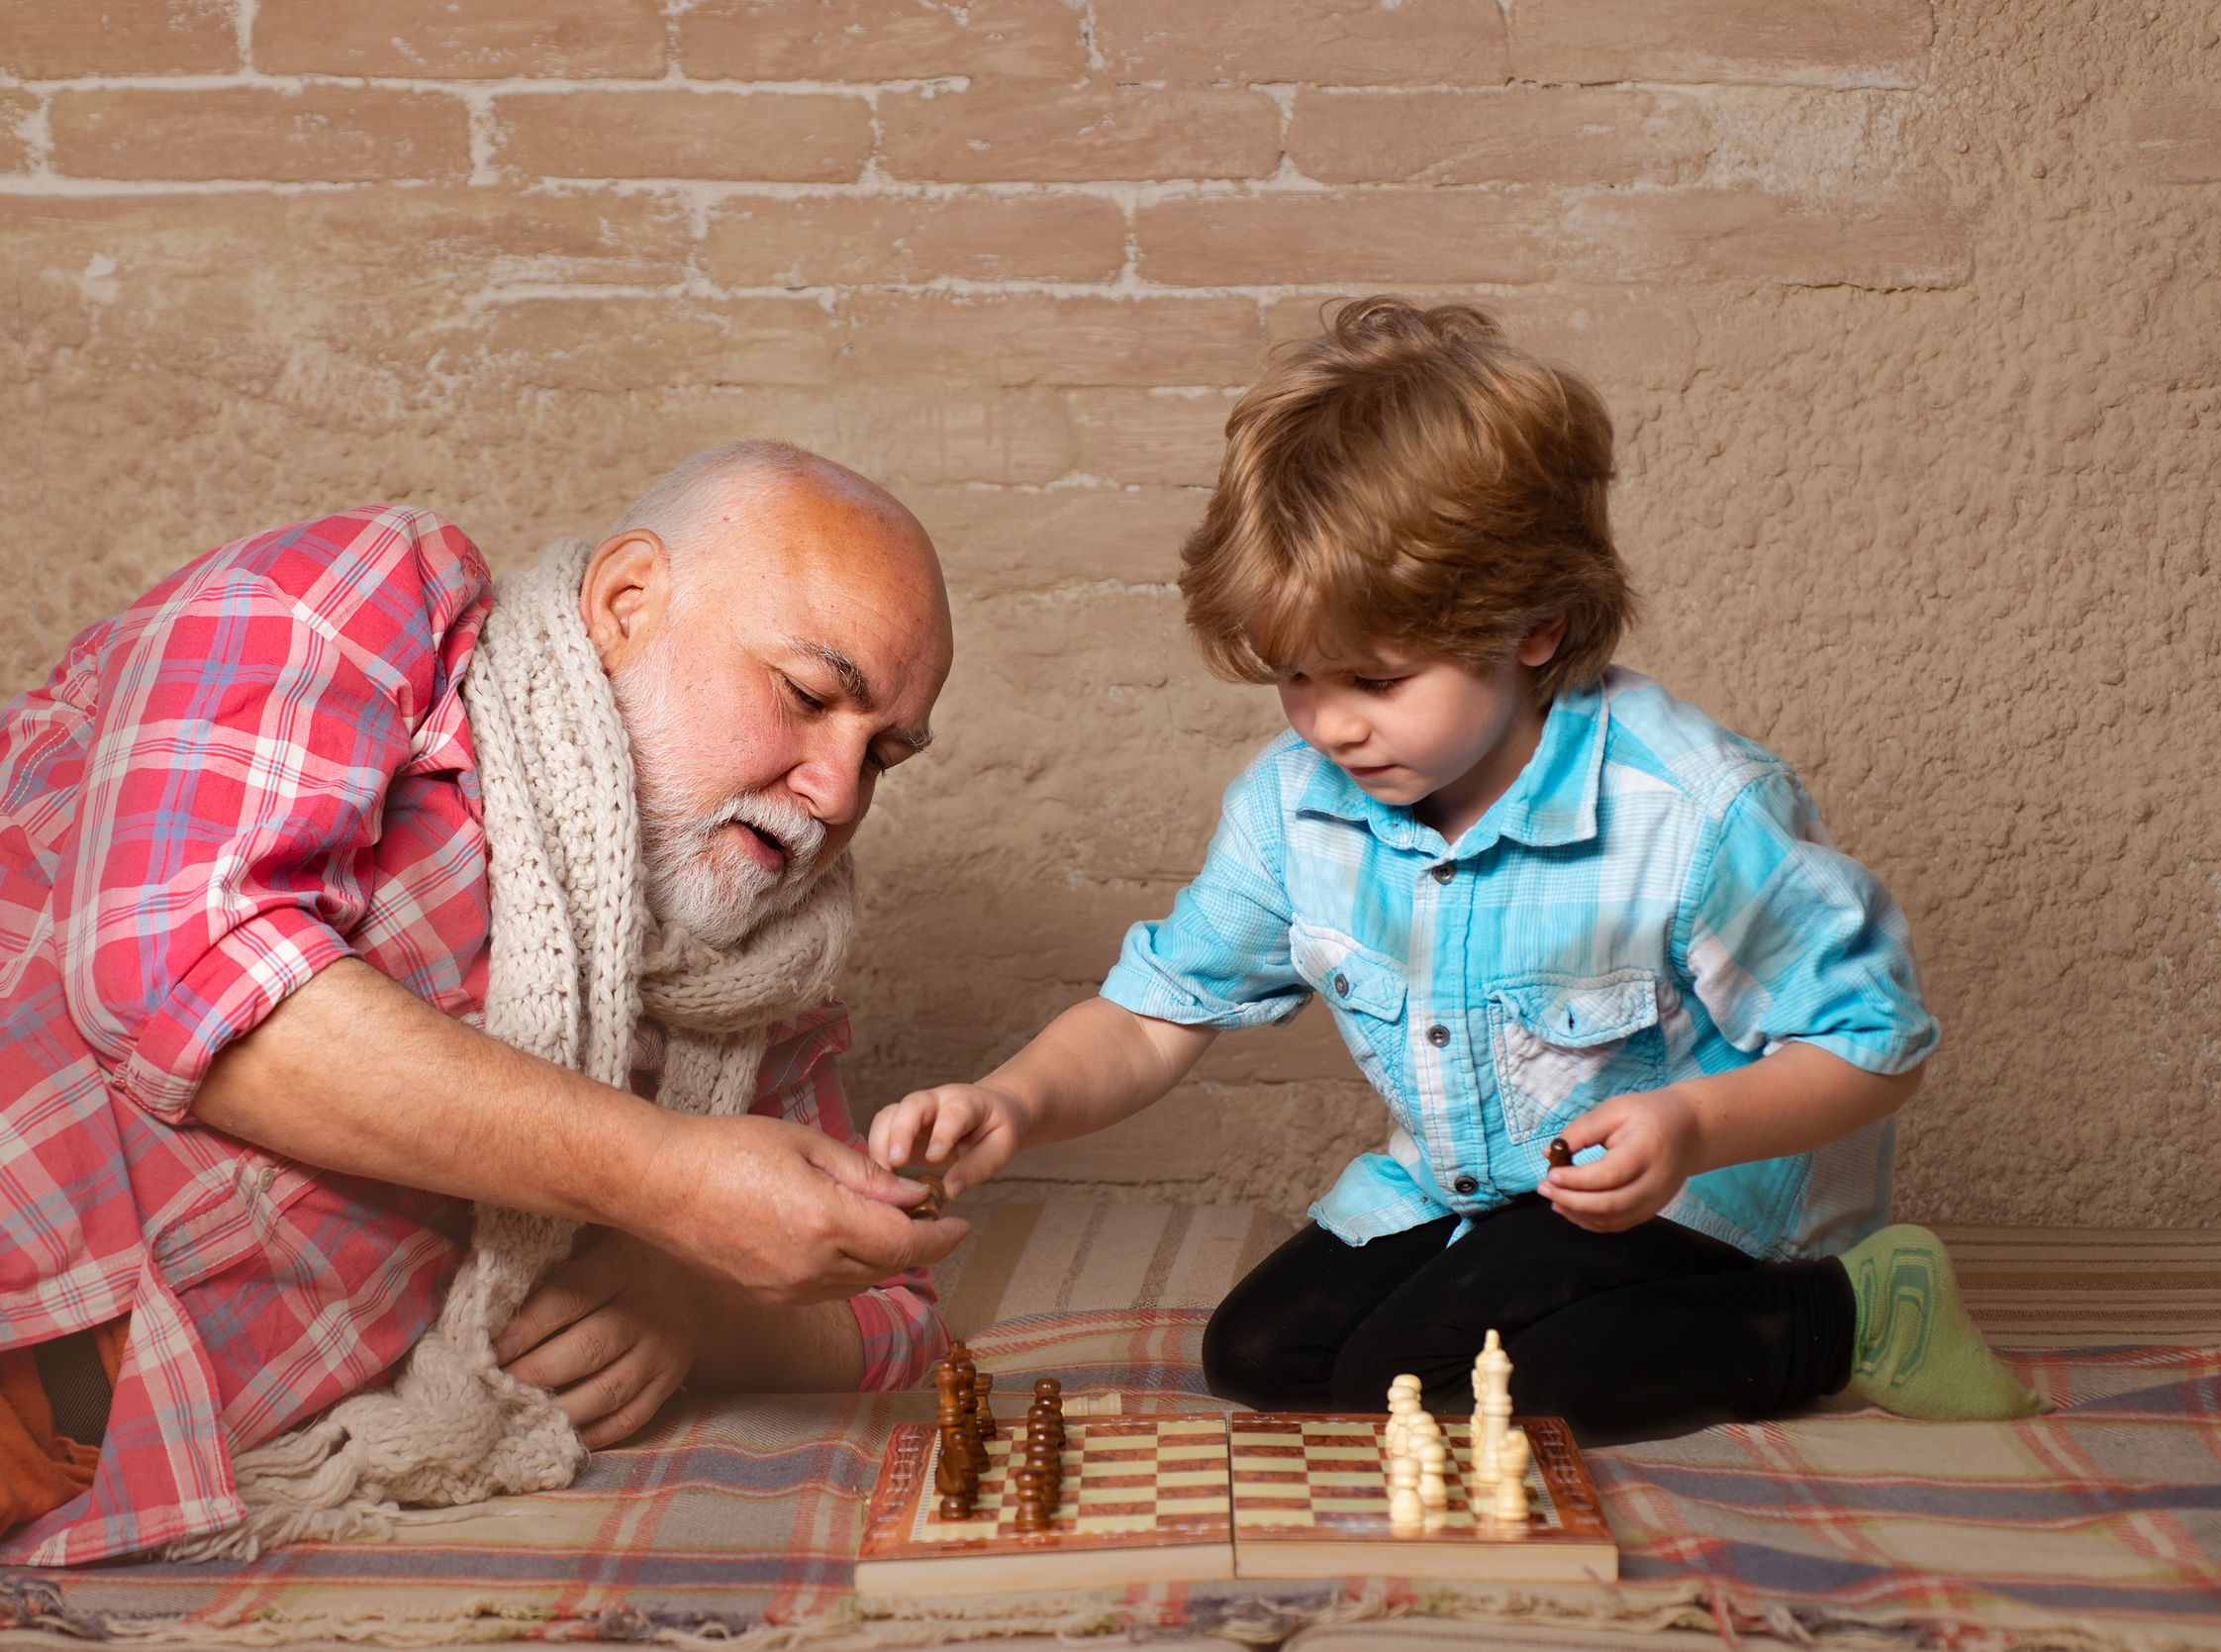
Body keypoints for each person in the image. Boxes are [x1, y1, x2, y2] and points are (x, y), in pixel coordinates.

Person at [870, 300, 2045, 1444]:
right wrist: (1010, 1103)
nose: (1328, 727)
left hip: (1704, 1197)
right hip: (1471, 1190)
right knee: (1260, 1357)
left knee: (1432, 1377)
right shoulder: (1296, 806)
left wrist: (1689, 1124)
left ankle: (1848, 1314)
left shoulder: (1689, 810)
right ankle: (1502, 1290)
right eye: (1294, 677)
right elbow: (1152, 1017)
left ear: (1534, 625)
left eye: (1374, 681)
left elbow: (1873, 1046)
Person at [0, 440, 970, 1564]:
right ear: (625, 602)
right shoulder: (372, 601)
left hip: (111, 1471)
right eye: (806, 696)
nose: (838, 789)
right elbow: (175, 968)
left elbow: (892, 1305)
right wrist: (663, 1175)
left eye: (883, 754)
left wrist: (701, 1305)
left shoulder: (754, 982)